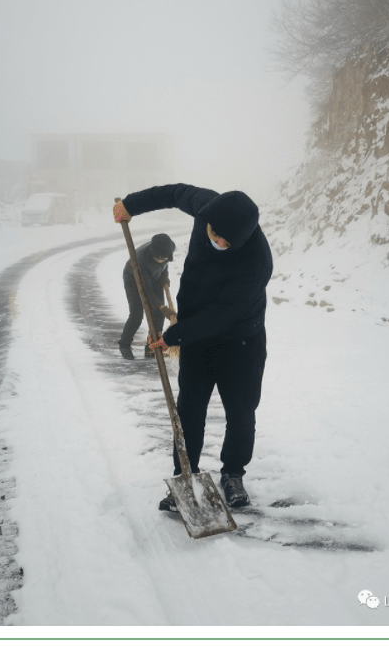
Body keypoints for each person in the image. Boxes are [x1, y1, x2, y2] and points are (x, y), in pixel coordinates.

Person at [114, 184, 273, 511]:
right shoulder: (208, 209)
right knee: (189, 410)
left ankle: (232, 474)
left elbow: (223, 314)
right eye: (213, 235)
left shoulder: (257, 262)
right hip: (198, 337)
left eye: (225, 243)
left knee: (241, 412)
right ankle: (185, 474)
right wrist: (131, 205)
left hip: (240, 340)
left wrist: (173, 336)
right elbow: (172, 193)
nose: (216, 242)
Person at [118, 232, 176, 360]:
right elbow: (146, 290)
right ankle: (124, 345)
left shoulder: (169, 247)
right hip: (134, 279)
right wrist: (161, 306)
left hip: (155, 278)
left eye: (164, 258)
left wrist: (164, 276)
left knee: (159, 316)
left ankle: (152, 346)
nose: (161, 261)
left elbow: (164, 266)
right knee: (137, 314)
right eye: (158, 259)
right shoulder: (140, 260)